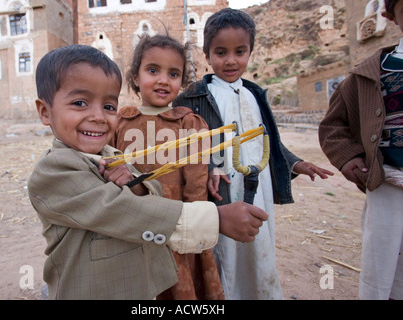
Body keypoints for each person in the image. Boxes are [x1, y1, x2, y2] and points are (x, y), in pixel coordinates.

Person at [28, 44, 269, 300]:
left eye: (109, 106)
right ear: (45, 111)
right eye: (79, 103)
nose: (98, 116)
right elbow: (119, 210)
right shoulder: (53, 170)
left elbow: (150, 188)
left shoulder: (111, 154)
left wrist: (136, 183)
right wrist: (216, 219)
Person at [173, 8, 333, 300]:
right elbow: (187, 144)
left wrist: (297, 163)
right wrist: (208, 168)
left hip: (259, 189)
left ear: (251, 52)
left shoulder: (254, 94)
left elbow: (267, 142)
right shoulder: (193, 96)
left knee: (260, 247)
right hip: (221, 191)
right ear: (207, 55)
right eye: (221, 52)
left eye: (240, 51)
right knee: (224, 254)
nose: (231, 60)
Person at [113, 34, 224, 300]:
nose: (164, 79)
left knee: (177, 284)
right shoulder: (119, 122)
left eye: (173, 73)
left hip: (176, 220)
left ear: (182, 81)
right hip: (129, 220)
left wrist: (193, 221)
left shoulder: (189, 124)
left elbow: (197, 180)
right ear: (136, 78)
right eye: (153, 70)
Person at [319, 0, 403, 300]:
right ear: (389, 14)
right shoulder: (368, 73)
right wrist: (350, 158)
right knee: (382, 266)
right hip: (388, 184)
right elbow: (333, 126)